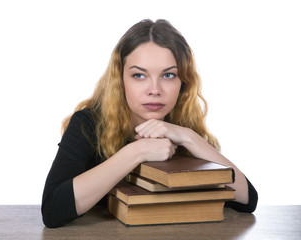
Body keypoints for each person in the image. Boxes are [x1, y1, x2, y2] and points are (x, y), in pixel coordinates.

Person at [41, 19, 258, 228]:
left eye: (169, 75)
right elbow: (52, 211)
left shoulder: (183, 127)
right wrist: (137, 152)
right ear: (120, 79)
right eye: (139, 75)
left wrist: (189, 137)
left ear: (183, 83)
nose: (155, 90)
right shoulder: (87, 123)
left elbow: (247, 199)